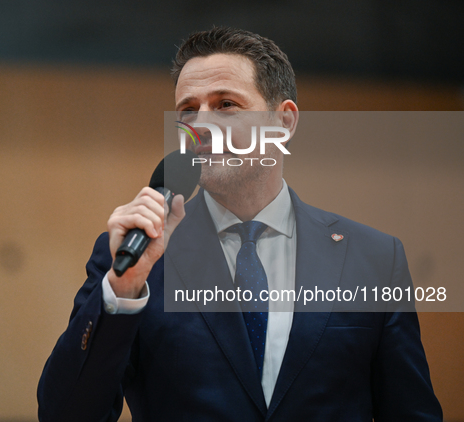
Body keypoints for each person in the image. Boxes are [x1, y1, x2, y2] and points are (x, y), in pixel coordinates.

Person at [37, 27, 442, 421]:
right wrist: (123, 293)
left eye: (226, 104)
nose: (202, 124)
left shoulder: (372, 257)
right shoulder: (135, 255)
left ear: (284, 122)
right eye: (188, 110)